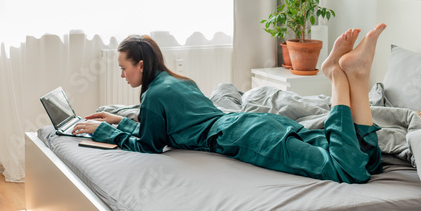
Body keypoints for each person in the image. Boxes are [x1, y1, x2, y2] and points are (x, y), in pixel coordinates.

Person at [73, 26, 386, 184]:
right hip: (255, 124)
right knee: (368, 163)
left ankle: (336, 75)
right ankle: (357, 79)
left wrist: (105, 131)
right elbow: (160, 131)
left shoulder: (154, 95)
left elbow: (149, 145)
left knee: (347, 171)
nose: (122, 74)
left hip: (246, 137)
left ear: (140, 65)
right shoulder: (177, 81)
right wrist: (118, 120)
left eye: (123, 68)